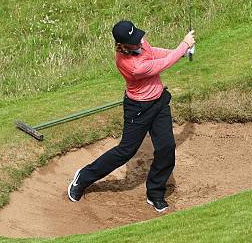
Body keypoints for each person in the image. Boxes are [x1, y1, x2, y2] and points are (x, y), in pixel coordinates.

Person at [67, 20, 195, 213]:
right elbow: (161, 64)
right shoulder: (131, 65)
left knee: (167, 147)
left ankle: (155, 194)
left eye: (138, 37)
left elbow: (154, 53)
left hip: (159, 102)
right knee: (125, 151)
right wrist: (183, 45)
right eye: (134, 41)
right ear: (123, 45)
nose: (140, 42)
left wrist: (180, 52)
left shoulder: (139, 41)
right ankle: (83, 177)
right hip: (138, 109)